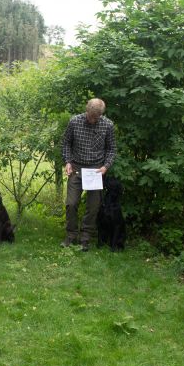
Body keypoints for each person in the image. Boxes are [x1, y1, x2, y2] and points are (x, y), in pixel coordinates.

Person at [61, 98, 116, 252]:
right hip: (77, 168)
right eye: (91, 116)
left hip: (96, 170)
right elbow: (66, 143)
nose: (92, 120)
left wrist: (106, 166)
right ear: (87, 110)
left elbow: (111, 149)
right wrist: (67, 162)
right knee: (71, 204)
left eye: (96, 117)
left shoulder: (108, 125)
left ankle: (85, 238)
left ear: (100, 115)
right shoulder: (74, 122)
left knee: (93, 207)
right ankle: (71, 235)